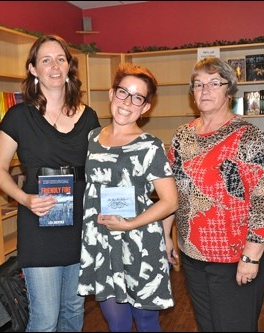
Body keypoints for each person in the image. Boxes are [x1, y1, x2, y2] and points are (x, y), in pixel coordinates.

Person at [0, 35, 100, 332]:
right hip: (38, 222)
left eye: (61, 59)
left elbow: (102, 170)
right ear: (33, 69)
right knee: (45, 318)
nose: (54, 66)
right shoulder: (18, 117)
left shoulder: (89, 117)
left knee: (73, 310)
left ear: (69, 67)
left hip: (80, 224)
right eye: (46, 60)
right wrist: (24, 199)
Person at [166, 57, 264, 332]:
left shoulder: (247, 136)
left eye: (214, 83)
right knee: (207, 325)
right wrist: (166, 235)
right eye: (198, 84)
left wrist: (252, 257)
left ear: (230, 90)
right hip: (193, 255)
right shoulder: (182, 135)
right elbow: (172, 189)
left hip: (235, 257)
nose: (204, 90)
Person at [77, 63, 179, 332]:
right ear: (112, 93)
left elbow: (170, 201)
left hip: (139, 242)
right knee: (117, 323)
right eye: (123, 92)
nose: (127, 102)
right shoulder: (92, 138)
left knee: (146, 321)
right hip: (101, 242)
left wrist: (130, 225)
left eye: (138, 97)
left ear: (145, 107)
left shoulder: (150, 145)